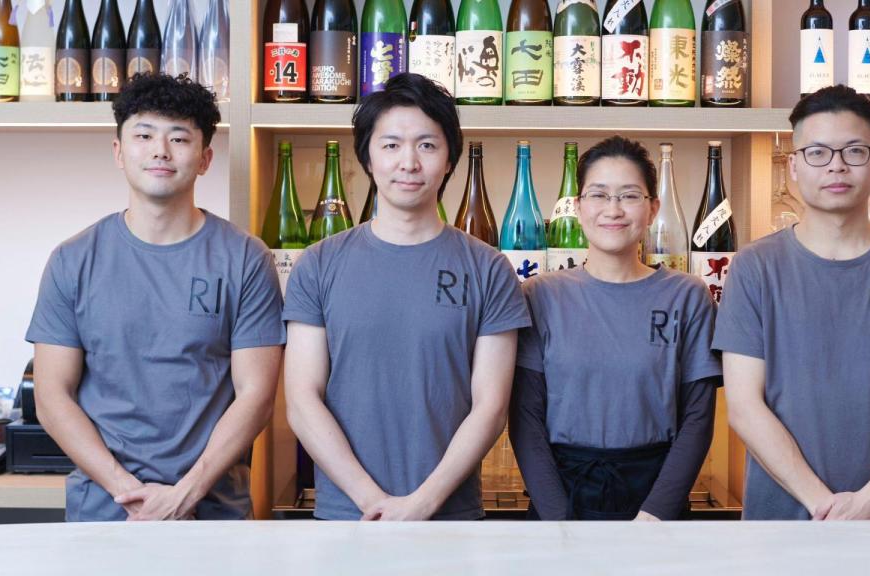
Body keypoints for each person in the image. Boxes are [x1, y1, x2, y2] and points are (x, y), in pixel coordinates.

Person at [27, 74, 285, 521]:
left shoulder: (245, 258)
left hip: (214, 514)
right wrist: (125, 489)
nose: (160, 151)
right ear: (118, 151)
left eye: (179, 138)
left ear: (205, 159)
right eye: (144, 135)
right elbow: (52, 395)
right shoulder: (73, 260)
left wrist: (186, 493)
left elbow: (256, 395)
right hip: (103, 514)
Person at [714, 85, 870, 520]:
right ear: (792, 166)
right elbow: (743, 407)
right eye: (817, 152)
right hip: (781, 524)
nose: (836, 165)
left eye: (854, 151)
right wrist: (822, 503)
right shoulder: (754, 268)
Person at [283, 73, 531, 521]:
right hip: (346, 515)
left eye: (427, 145)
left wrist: (423, 503)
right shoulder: (318, 264)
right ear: (368, 157)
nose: (409, 162)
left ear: (450, 159)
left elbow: (491, 407)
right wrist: (369, 500)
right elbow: (302, 400)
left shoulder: (489, 268)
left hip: (452, 516)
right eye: (391, 144)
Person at [510, 136, 722, 521]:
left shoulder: (687, 296)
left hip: (658, 495)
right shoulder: (540, 295)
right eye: (598, 195)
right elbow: (525, 419)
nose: (613, 209)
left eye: (629, 196)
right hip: (561, 492)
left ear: (653, 207)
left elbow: (698, 418)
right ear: (577, 207)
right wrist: (559, 520)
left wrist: (656, 513)